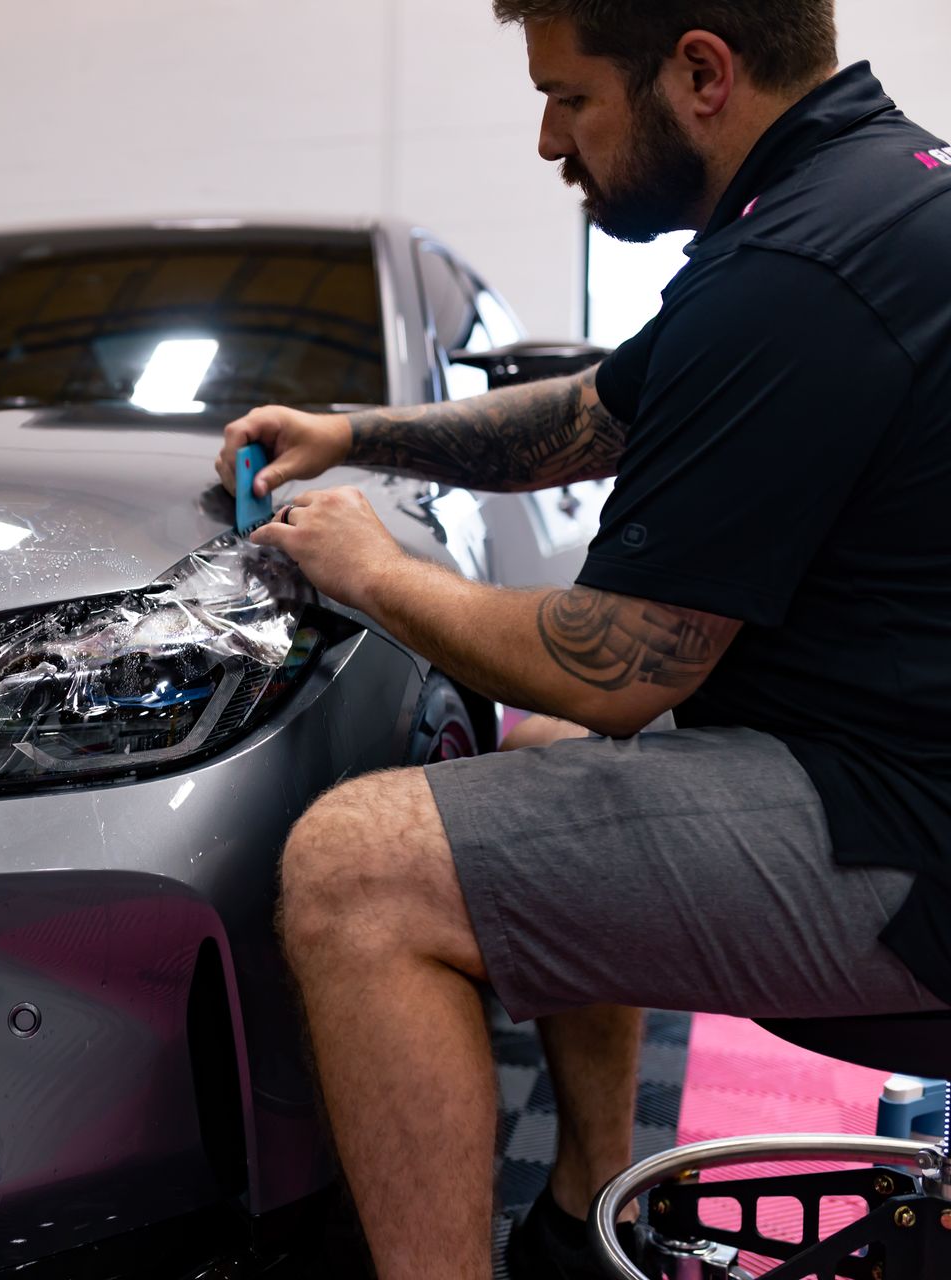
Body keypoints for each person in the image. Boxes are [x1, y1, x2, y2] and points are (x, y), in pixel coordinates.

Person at [214, 4, 951, 1278]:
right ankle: (590, 1207)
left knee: (356, 868)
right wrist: (356, 433)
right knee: (542, 748)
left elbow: (614, 662)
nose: (552, 140)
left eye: (572, 97)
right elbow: (596, 413)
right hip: (896, 756)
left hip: (913, 829)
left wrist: (372, 568)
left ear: (702, 71)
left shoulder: (796, 269)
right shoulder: (860, 196)